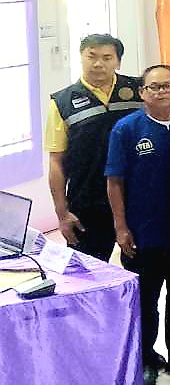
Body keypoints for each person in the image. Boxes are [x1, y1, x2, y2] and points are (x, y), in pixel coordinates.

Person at [105, 63, 170, 385]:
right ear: (142, 92)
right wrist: (121, 227)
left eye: (167, 85)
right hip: (143, 232)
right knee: (145, 301)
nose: (160, 91)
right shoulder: (126, 129)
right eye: (153, 87)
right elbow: (114, 181)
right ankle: (143, 360)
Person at [46, 32, 144, 259]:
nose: (98, 64)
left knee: (141, 269)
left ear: (118, 61)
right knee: (88, 272)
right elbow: (56, 161)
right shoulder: (62, 101)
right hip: (88, 201)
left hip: (136, 197)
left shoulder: (139, 91)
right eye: (92, 56)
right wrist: (62, 213)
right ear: (81, 58)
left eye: (107, 57)